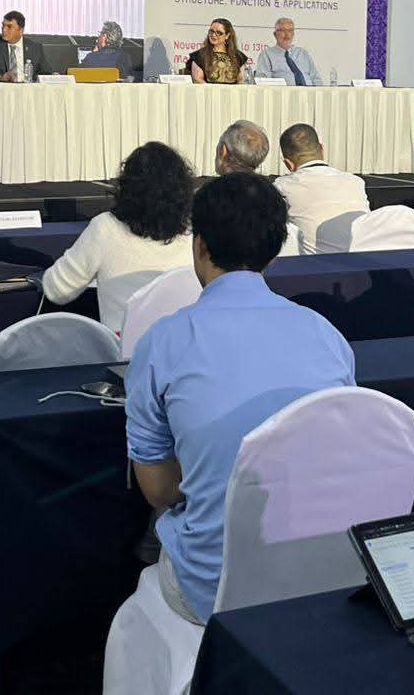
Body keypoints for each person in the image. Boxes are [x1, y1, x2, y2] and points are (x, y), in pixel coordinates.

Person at [124, 172, 356, 625]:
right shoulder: (326, 335)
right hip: (322, 574)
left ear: (199, 245)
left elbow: (159, 491)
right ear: (274, 252)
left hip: (213, 587)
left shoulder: (164, 341)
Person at [41, 142, 195, 331]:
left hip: (125, 347)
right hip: (184, 344)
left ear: (127, 187)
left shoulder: (105, 227)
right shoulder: (196, 232)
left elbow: (56, 289)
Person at [273, 123, 369, 253]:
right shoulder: (356, 182)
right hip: (362, 260)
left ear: (288, 164)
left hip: (314, 263)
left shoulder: (282, 186)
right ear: (322, 149)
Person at [0, 10, 49, 82]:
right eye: (3, 25)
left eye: (9, 26)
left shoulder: (35, 47)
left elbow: (46, 72)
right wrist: (1, 77)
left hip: (28, 87)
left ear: (21, 30)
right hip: (2, 87)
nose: (4, 30)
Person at [253, 17, 323, 86]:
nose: (287, 34)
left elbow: (316, 79)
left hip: (309, 92)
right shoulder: (267, 54)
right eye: (282, 30)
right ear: (275, 34)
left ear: (293, 34)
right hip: (282, 93)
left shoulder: (303, 53)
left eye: (290, 30)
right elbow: (262, 81)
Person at [186, 18, 247, 84]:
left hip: (233, 91)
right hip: (207, 90)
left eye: (218, 33)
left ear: (227, 36)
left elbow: (241, 81)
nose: (213, 35)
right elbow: (198, 80)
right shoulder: (198, 56)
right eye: (211, 31)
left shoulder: (238, 56)